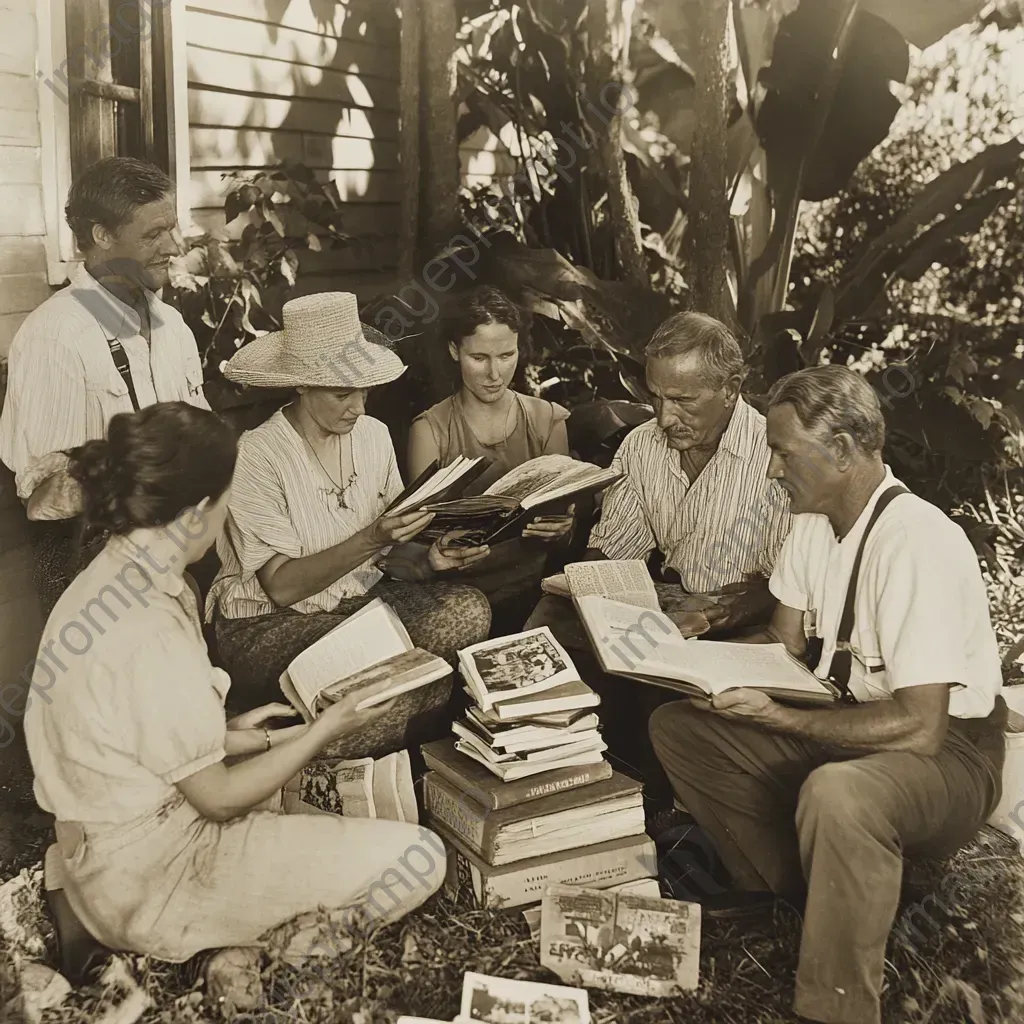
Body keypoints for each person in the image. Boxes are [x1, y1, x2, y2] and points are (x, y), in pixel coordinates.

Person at [23, 402, 446, 1000]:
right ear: (199, 512)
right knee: (421, 857)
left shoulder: (112, 580)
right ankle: (209, 948)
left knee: (313, 808)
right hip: (157, 872)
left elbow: (138, 730)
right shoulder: (148, 624)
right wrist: (325, 730)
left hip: (102, 840)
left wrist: (259, 736)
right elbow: (217, 800)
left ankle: (123, 911)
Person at [649, 366, 1007, 1024]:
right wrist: (692, 662)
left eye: (783, 453)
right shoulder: (813, 522)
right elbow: (783, 646)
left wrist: (778, 714)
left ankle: (836, 1006)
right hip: (845, 712)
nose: (771, 471)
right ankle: (795, 892)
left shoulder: (918, 542)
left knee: (837, 793)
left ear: (841, 451)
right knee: (681, 726)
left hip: (947, 754)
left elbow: (921, 729)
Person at [524, 312, 792, 806]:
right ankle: (549, 777)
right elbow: (614, 546)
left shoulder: (776, 454)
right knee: (550, 626)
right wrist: (583, 580)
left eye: (683, 401)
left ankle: (650, 804)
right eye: (655, 397)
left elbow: (786, 586)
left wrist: (714, 615)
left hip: (742, 616)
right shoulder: (642, 446)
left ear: (731, 389)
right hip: (666, 602)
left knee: (662, 672)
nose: (665, 417)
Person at [208, 291, 492, 727]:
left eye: (365, 391)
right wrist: (373, 536)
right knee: (385, 661)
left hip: (361, 606)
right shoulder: (258, 454)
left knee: (467, 609)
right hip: (272, 625)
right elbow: (281, 588)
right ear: (301, 384)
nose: (358, 408)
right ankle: (367, 722)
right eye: (342, 394)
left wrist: (429, 559)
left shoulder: (373, 435)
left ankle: (361, 716)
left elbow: (389, 559)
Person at [0, 157, 209, 616]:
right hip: (94, 574)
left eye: (172, 230)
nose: (173, 247)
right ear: (100, 236)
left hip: (178, 550)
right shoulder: (54, 337)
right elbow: (44, 498)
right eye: (153, 234)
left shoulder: (173, 326)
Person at [407, 286, 574, 630]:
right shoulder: (430, 430)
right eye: (479, 358)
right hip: (455, 599)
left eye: (506, 355)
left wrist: (561, 530)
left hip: (535, 593)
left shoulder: (547, 420)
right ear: (455, 350)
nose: (494, 374)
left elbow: (564, 543)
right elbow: (417, 542)